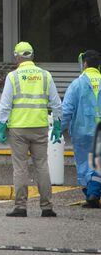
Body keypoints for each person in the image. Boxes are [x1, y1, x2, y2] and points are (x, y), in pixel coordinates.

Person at [0, 42, 62, 217]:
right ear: (32, 56)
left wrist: (1, 126)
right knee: (42, 165)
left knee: (20, 167)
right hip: (40, 127)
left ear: (17, 57)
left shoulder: (13, 76)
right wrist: (57, 124)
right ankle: (47, 207)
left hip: (18, 129)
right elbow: (56, 103)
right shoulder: (45, 75)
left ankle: (20, 207)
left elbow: (5, 105)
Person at [62, 50, 101, 208]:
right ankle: (93, 193)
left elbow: (66, 110)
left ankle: (91, 193)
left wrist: (59, 129)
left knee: (84, 163)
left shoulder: (77, 84)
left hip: (82, 131)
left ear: (84, 63)